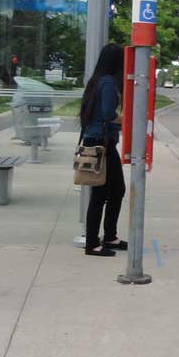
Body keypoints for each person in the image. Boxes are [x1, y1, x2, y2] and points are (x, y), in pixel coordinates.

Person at [79, 43, 126, 257]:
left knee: (116, 190)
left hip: (98, 141)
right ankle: (92, 244)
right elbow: (108, 115)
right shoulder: (107, 82)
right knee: (101, 194)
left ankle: (109, 236)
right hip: (102, 143)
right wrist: (130, 120)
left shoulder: (96, 80)